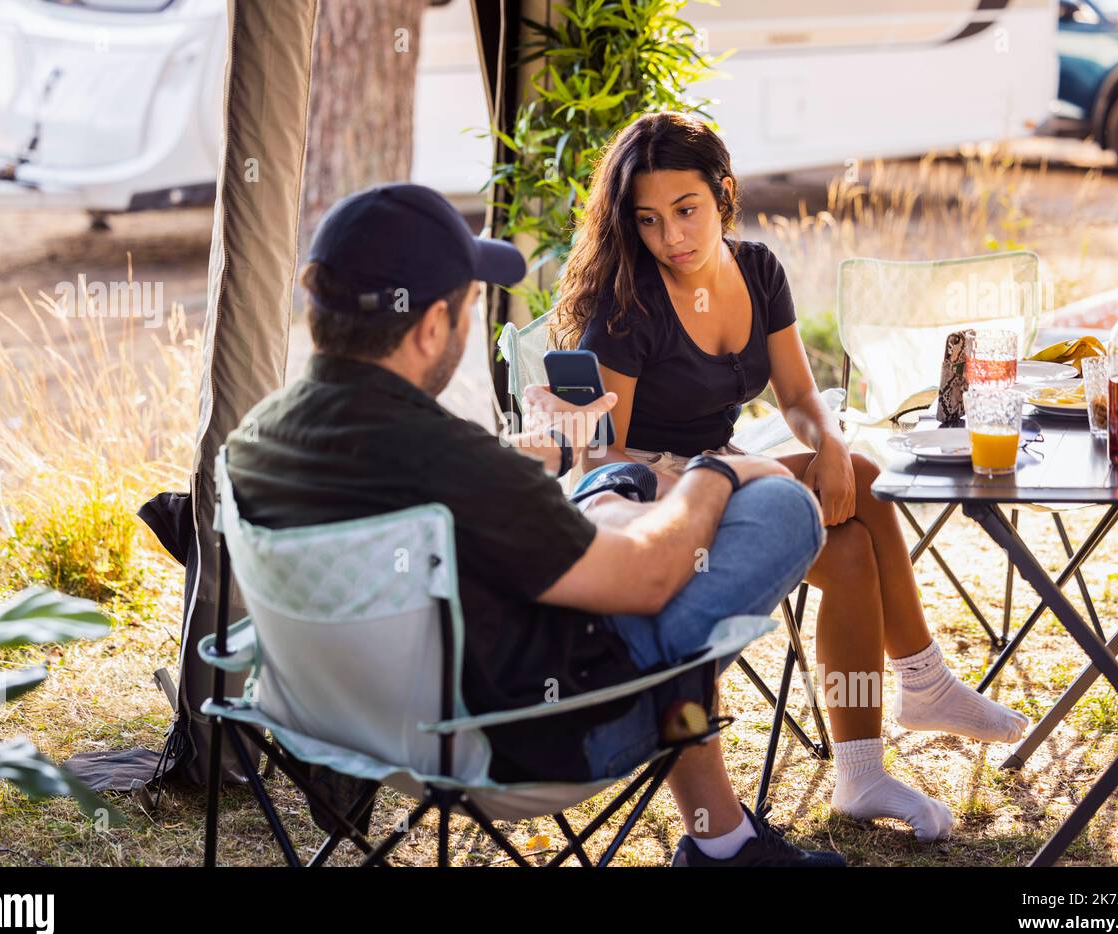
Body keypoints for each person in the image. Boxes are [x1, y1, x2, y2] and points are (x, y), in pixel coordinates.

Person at [225, 182, 843, 866]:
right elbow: (649, 576)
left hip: (346, 726)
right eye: (466, 304)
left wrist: (557, 459)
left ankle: (723, 838)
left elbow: (441, 483)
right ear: (431, 324)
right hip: (529, 737)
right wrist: (716, 472)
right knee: (780, 507)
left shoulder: (255, 440)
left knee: (624, 485)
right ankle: (723, 844)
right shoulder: (447, 463)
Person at [554, 112, 1030, 842]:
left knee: (849, 542)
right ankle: (926, 683)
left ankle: (861, 771)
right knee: (868, 483)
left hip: (727, 474)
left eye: (687, 211)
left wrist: (828, 442)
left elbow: (801, 397)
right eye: (649, 220)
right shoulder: (632, 303)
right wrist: (723, 474)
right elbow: (598, 459)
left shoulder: (758, 270)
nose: (671, 237)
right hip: (657, 504)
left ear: (724, 193)